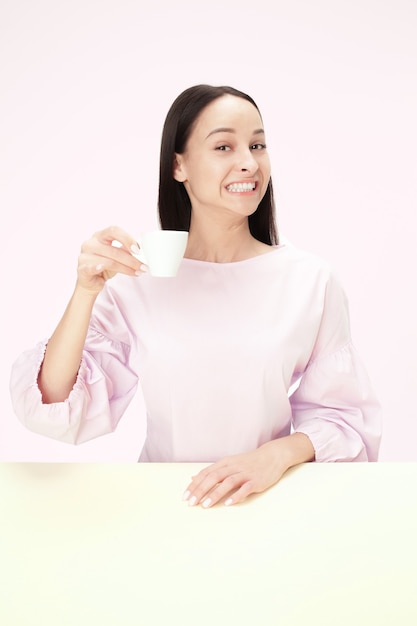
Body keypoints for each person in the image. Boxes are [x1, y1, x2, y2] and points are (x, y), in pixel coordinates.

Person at [10, 84, 382, 508]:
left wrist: (273, 457)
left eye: (257, 145)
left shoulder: (310, 281)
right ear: (178, 166)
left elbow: (346, 420)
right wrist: (84, 293)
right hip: (162, 508)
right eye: (224, 146)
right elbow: (53, 405)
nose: (249, 162)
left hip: (268, 506)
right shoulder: (138, 281)